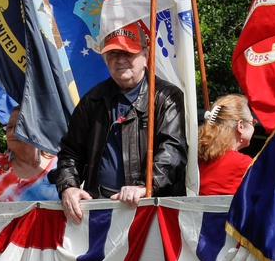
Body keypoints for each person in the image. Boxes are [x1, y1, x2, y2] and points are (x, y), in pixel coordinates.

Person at [50, 21, 187, 222]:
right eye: (113, 54)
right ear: (105, 59)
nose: (120, 60)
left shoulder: (167, 96)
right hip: (99, 211)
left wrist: (144, 186)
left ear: (146, 56)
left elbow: (173, 151)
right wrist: (68, 187)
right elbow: (70, 152)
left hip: (152, 211)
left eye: (128, 53)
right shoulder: (92, 99)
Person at [197, 94, 255, 196]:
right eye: (252, 122)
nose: (253, 126)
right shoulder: (242, 163)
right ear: (240, 126)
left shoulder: (197, 156)